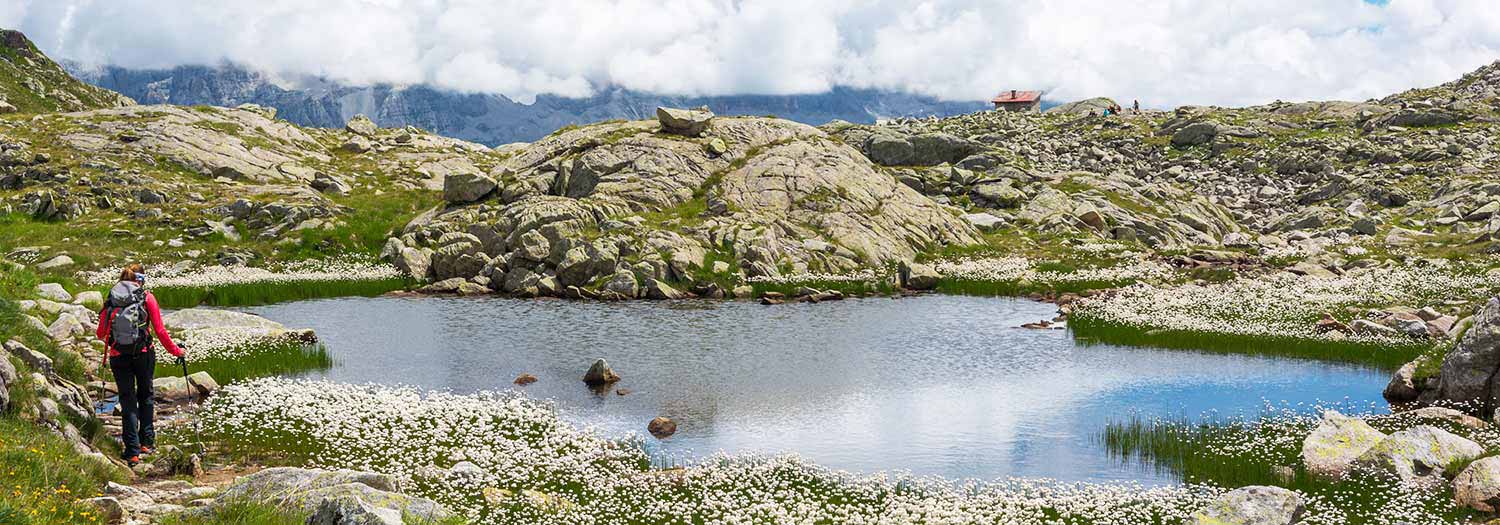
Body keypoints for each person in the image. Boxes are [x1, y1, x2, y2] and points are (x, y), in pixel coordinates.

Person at [96, 263, 184, 465]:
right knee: (145, 395)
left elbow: (100, 333)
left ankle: (132, 451)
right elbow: (160, 331)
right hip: (144, 354)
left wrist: (114, 341)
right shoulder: (147, 298)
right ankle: (147, 442)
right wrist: (177, 351)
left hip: (119, 356)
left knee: (127, 400)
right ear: (141, 280)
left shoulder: (111, 300)